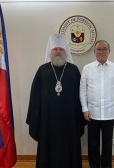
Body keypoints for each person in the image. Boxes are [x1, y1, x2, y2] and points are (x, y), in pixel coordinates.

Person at [26, 34, 86, 168]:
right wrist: (36, 116)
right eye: (55, 49)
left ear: (65, 51)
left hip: (69, 119)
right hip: (47, 120)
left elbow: (81, 94)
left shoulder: (73, 70)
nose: (58, 52)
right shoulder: (42, 70)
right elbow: (35, 96)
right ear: (50, 51)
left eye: (61, 49)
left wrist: (81, 114)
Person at [80, 40, 114, 168]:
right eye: (99, 49)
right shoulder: (87, 68)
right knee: (93, 144)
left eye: (104, 49)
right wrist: (84, 109)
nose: (101, 51)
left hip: (110, 113)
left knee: (107, 144)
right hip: (92, 113)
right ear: (94, 52)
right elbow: (82, 90)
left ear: (109, 51)